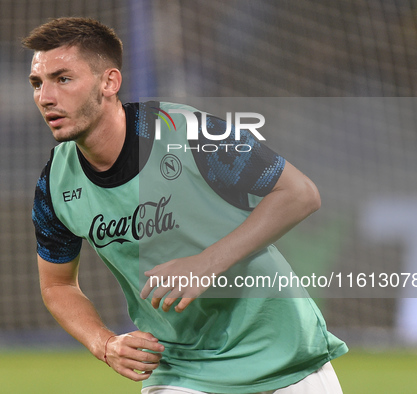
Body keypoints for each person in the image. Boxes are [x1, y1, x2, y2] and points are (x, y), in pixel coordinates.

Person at [24, 17, 348, 394]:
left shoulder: (188, 132)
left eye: (63, 79)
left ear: (109, 82)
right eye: (37, 83)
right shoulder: (55, 183)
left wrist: (204, 264)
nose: (45, 97)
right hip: (180, 370)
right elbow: (58, 286)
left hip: (284, 356)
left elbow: (300, 194)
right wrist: (104, 343)